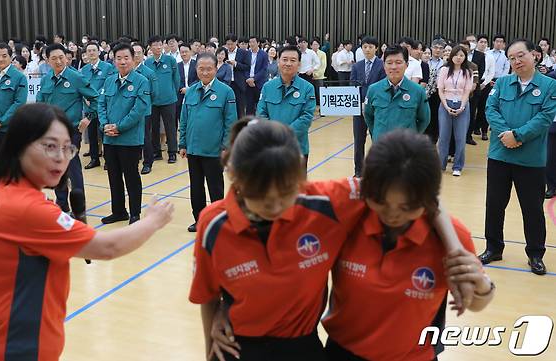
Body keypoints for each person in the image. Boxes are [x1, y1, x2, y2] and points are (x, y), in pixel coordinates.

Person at [197, 122, 480, 361]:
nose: (274, 206)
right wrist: (218, 326)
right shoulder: (213, 224)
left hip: (303, 347)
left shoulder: (327, 202)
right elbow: (207, 296)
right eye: (260, 196)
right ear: (234, 175)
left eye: (285, 193)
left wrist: (454, 248)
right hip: (239, 344)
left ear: (300, 173)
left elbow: (416, 192)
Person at [0, 103, 174, 361]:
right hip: (12, 350)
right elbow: (107, 248)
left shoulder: (4, 194)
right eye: (50, 146)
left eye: (67, 148)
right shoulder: (26, 209)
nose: (61, 157)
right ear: (19, 145)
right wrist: (153, 221)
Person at [322, 130, 493, 361]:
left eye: (407, 207)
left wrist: (482, 285)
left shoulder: (453, 237)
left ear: (428, 198)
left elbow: (474, 304)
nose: (392, 214)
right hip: (342, 352)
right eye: (381, 202)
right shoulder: (349, 218)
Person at [479, 38, 556, 275]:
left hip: (530, 159)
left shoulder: (550, 85)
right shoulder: (502, 83)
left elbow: (545, 117)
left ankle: (535, 253)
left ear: (534, 55)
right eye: (512, 58)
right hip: (500, 155)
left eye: (520, 55)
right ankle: (493, 247)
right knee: (494, 205)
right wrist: (506, 135)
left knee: (532, 208)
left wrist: (519, 136)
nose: (516, 61)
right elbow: (490, 110)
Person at [36, 43, 98, 212]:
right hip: (50, 133)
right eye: (54, 58)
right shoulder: (45, 79)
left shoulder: (75, 77)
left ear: (67, 58)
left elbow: (96, 98)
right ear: (47, 61)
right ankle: (62, 204)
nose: (58, 61)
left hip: (71, 132)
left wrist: (88, 117)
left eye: (61, 57)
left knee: (72, 167)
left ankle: (79, 206)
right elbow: (40, 103)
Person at [179, 53, 237, 232]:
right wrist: (182, 144)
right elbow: (184, 119)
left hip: (214, 151)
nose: (205, 72)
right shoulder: (191, 91)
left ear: (216, 69)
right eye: (201, 69)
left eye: (209, 69)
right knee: (196, 188)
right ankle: (200, 219)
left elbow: (231, 122)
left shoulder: (226, 92)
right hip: (193, 149)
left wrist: (226, 147)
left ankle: (219, 221)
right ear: (196, 70)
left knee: (215, 188)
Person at [97, 43, 150, 225]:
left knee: (131, 176)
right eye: (118, 58)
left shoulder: (141, 81)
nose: (122, 61)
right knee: (113, 176)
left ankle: (135, 213)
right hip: (110, 139)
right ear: (113, 60)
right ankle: (119, 211)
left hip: (129, 139)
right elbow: (101, 104)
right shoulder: (109, 80)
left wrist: (119, 127)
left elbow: (139, 110)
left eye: (126, 57)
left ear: (133, 58)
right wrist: (104, 125)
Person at [257, 45, 315, 168]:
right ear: (278, 61)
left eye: (293, 60)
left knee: (296, 187)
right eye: (284, 59)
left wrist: (284, 135)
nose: (288, 63)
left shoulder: (308, 88)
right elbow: (261, 114)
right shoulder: (268, 87)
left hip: (297, 148)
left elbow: (307, 117)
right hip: (271, 148)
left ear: (299, 63)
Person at [364, 45, 430, 141]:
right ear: (384, 65)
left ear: (407, 65)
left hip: (407, 148)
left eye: (398, 62)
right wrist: (378, 134)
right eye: (389, 63)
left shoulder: (418, 91)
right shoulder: (373, 89)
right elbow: (368, 116)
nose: (394, 67)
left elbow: (424, 120)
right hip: (381, 147)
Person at [349, 36, 386, 177]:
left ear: (376, 48)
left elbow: (383, 87)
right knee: (358, 141)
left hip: (376, 109)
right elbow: (352, 85)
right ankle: (358, 171)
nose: (367, 49)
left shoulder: (382, 65)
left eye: (370, 47)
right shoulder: (356, 66)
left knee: (377, 140)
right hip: (358, 109)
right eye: (365, 47)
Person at [436, 45, 474, 177]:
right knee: (444, 137)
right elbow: (440, 89)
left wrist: (462, 106)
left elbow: (467, 91)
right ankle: (441, 165)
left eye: (462, 55)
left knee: (460, 137)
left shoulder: (468, 72)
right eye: (456, 55)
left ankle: (457, 166)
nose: (458, 58)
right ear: (451, 56)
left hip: (462, 104)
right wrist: (446, 106)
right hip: (445, 103)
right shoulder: (444, 70)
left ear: (465, 57)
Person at [145, 35, 180, 164]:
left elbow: (176, 80)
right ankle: (156, 152)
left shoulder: (170, 60)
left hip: (169, 100)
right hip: (153, 101)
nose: (158, 47)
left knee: (170, 127)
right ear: (150, 47)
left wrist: (172, 92)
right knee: (154, 128)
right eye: (155, 45)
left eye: (160, 44)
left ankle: (172, 153)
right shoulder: (147, 62)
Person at [80, 41, 116, 170]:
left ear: (99, 52)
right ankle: (94, 158)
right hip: (89, 107)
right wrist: (86, 97)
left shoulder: (108, 67)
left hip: (102, 107)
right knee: (92, 134)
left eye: (93, 50)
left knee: (104, 133)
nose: (91, 53)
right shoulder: (83, 70)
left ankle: (108, 160)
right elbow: (81, 87)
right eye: (88, 51)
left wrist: (97, 98)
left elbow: (109, 85)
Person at [132, 42, 156, 175]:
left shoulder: (148, 73)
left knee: (145, 136)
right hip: (129, 110)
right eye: (134, 53)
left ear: (143, 54)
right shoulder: (127, 71)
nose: (136, 55)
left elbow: (154, 93)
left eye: (139, 53)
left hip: (144, 110)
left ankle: (148, 162)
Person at [425, 38, 446, 144]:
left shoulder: (445, 64)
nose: (438, 50)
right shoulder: (425, 62)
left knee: (436, 118)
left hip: (439, 94)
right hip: (425, 92)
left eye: (440, 48)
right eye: (435, 47)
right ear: (431, 48)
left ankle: (433, 140)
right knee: (425, 116)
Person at [244, 36, 268, 115]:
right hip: (248, 83)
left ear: (258, 43)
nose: (251, 44)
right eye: (250, 42)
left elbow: (264, 70)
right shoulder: (246, 53)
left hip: (259, 83)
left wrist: (253, 79)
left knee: (260, 105)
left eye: (253, 42)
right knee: (249, 106)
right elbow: (245, 68)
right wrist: (248, 79)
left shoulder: (264, 54)